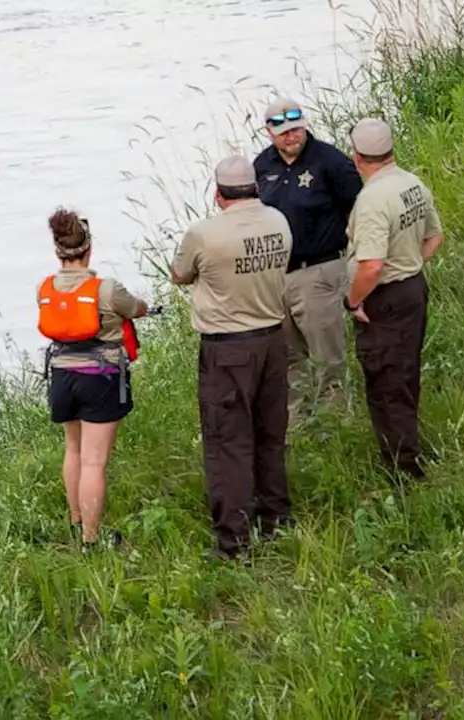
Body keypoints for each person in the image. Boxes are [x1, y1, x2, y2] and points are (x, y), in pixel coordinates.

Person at [171, 155, 293, 561]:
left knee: (227, 443)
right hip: (274, 340)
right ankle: (276, 519)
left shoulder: (205, 233)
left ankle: (234, 542)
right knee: (270, 434)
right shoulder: (278, 221)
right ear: (256, 188)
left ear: (218, 193)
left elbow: (180, 274)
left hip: (227, 349)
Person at [36, 208, 150, 549]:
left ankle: (76, 521)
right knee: (94, 461)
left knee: (73, 450)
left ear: (58, 251)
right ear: (89, 249)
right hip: (100, 378)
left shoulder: (45, 288)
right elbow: (136, 309)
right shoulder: (106, 289)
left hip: (62, 376)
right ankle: (91, 542)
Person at [343, 118, 444, 480]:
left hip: (383, 295)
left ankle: (403, 467)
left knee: (386, 380)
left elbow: (371, 265)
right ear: (391, 150)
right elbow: (435, 238)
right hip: (413, 287)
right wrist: (410, 264)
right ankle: (407, 450)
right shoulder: (411, 183)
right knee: (405, 372)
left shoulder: (372, 199)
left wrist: (353, 301)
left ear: (356, 157)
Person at [254, 97, 363, 417]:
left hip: (320, 270)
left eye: (297, 129)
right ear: (269, 132)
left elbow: (359, 211)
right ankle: (298, 425)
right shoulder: (262, 166)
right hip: (276, 277)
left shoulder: (331, 162)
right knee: (288, 357)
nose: (292, 136)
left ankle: (337, 421)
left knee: (328, 356)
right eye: (284, 131)